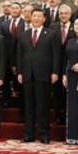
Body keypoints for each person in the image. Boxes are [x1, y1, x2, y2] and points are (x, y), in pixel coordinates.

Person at [17, 8, 60, 144]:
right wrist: (19, 72)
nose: (35, 18)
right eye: (34, 16)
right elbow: (19, 55)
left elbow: (56, 55)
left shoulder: (51, 34)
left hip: (44, 74)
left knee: (43, 105)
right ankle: (28, 134)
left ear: (44, 19)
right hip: (27, 74)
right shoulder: (24, 35)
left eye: (38, 16)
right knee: (28, 106)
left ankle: (44, 134)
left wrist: (55, 72)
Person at [52, 4, 74, 125]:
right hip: (56, 64)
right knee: (56, 92)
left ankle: (67, 115)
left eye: (66, 13)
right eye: (61, 13)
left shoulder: (75, 27)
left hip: (70, 64)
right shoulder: (52, 27)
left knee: (68, 91)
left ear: (70, 15)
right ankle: (58, 115)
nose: (63, 15)